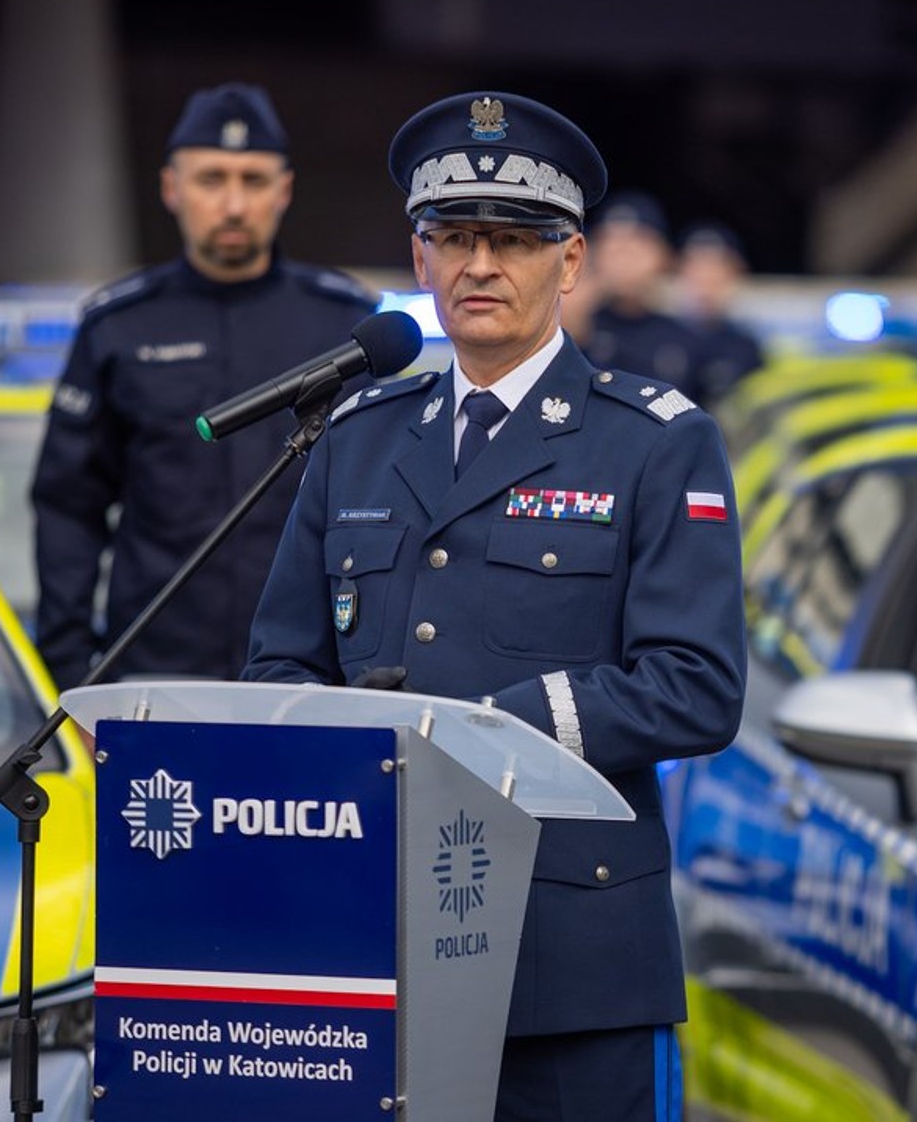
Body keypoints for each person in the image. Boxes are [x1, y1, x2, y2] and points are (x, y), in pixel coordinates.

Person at [243, 90, 745, 1121]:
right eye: (454, 237)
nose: (480, 265)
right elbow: (281, 664)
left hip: (567, 961)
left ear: (569, 262)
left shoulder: (653, 440)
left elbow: (696, 688)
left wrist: (493, 731)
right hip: (370, 941)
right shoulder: (358, 433)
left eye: (511, 240)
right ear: (418, 259)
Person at [29, 83, 378, 691]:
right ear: (171, 188)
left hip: (317, 678)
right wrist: (73, 673)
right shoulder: (118, 326)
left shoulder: (344, 324)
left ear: (285, 191)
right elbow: (68, 506)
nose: (235, 204)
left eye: (254, 179)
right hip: (156, 677)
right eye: (212, 179)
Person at [579, 189, 700, 397]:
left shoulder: (686, 340)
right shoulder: (575, 329)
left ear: (663, 256)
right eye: (613, 248)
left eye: (635, 248)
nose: (624, 261)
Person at [676, 220, 764, 407]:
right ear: (682, 272)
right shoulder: (659, 336)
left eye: (715, 271)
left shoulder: (745, 347)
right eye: (697, 269)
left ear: (733, 275)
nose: (705, 281)